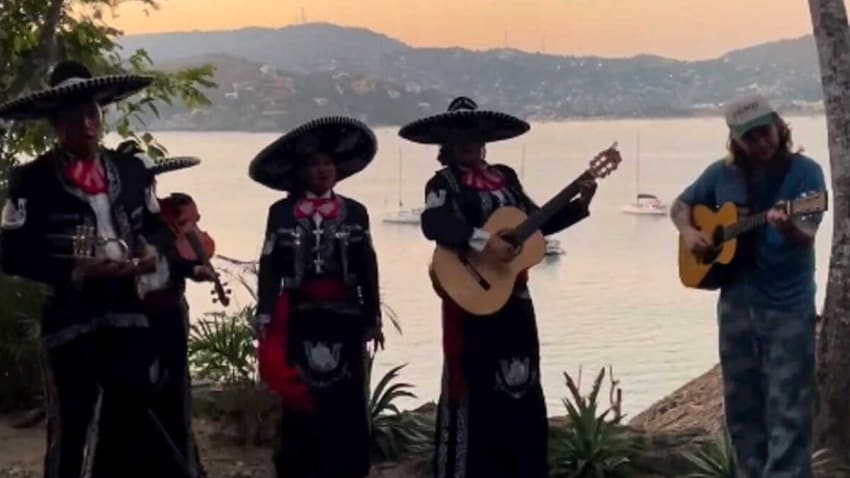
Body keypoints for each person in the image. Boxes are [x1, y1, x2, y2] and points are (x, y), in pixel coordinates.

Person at [399, 96, 603, 478]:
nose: (468, 142)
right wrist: (483, 241)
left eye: (474, 135)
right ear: (447, 143)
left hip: (515, 298)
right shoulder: (443, 183)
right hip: (471, 298)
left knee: (521, 382)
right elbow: (434, 224)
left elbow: (536, 225)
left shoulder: (506, 177)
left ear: (484, 140)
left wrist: (579, 205)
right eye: (459, 136)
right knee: (476, 386)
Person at [0, 60, 183, 477]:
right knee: (73, 421)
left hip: (129, 314)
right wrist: (76, 271)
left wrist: (153, 253)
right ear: (55, 124)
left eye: (92, 114)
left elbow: (159, 228)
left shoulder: (133, 171)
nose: (86, 125)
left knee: (132, 415)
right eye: (73, 117)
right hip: (70, 318)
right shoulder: (32, 180)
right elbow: (10, 253)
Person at [671, 93, 825, 477]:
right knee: (741, 409)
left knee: (789, 408)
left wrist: (788, 226)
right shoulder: (720, 175)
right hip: (736, 305)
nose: (760, 142)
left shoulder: (805, 174)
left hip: (788, 308)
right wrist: (689, 232)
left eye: (764, 132)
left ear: (779, 126)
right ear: (735, 140)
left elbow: (807, 235)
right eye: (749, 137)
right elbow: (680, 206)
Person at [250, 116, 383, 478]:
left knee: (346, 396)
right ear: (301, 172)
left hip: (346, 316)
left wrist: (373, 317)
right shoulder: (280, 213)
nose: (322, 170)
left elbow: (368, 266)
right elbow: (270, 265)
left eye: (328, 163)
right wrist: (264, 314)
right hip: (301, 315)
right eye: (314, 164)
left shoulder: (356, 211)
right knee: (303, 397)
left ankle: (348, 468)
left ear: (338, 170)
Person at [117, 141, 217, 478]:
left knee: (174, 392)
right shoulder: (112, 218)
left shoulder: (163, 218)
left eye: (149, 180)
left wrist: (196, 269)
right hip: (129, 316)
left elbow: (175, 262)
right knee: (134, 393)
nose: (148, 186)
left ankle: (182, 466)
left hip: (169, 311)